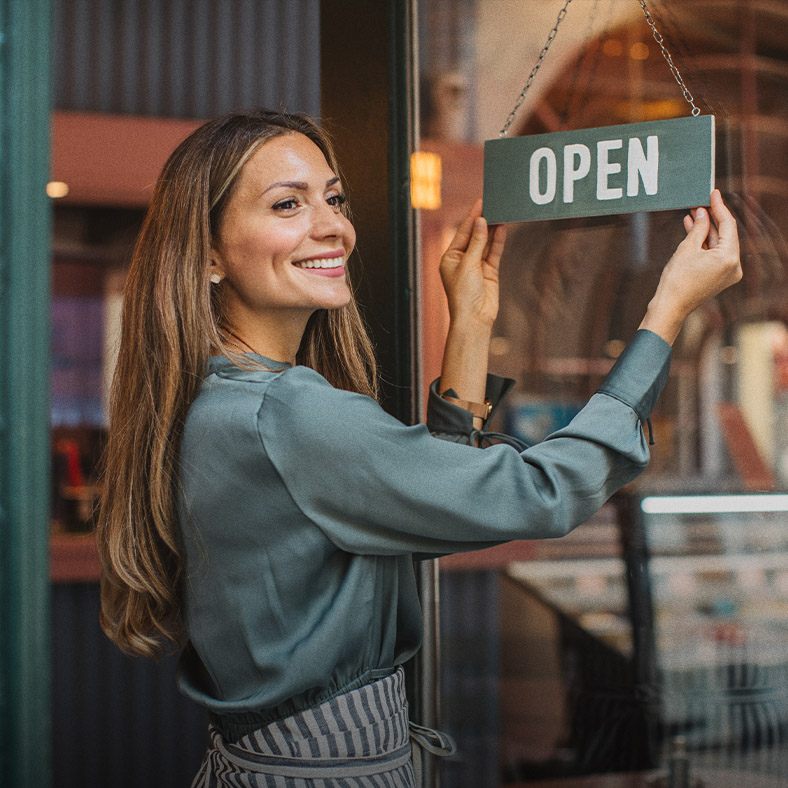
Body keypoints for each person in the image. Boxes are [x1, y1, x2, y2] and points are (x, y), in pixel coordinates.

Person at [96, 109, 742, 788]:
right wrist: (666, 311)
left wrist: (471, 325)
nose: (332, 225)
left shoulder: (222, 399)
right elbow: (539, 495)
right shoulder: (288, 412)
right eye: (288, 203)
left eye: (334, 198)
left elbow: (424, 508)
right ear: (206, 254)